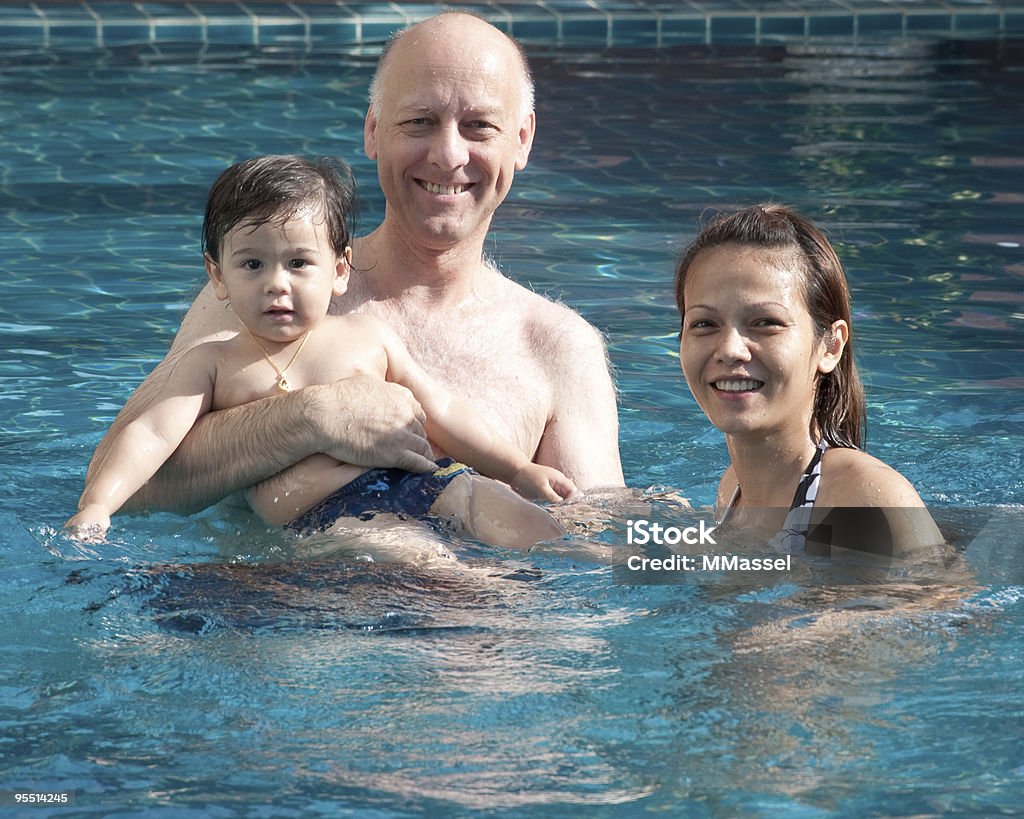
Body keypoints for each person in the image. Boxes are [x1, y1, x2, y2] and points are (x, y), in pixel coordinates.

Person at [81, 11, 624, 522]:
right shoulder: (269, 290)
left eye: (479, 126)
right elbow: (125, 490)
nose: (448, 155)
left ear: (522, 140)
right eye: (419, 122)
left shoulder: (557, 347)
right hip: (276, 611)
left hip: (476, 615)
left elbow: (593, 549)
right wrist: (309, 418)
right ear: (372, 132)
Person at [65, 154, 576, 550]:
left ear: (339, 269)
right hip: (333, 519)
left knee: (540, 532)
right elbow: (151, 435)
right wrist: (97, 505)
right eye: (252, 265)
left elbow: (443, 411)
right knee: (430, 568)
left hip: (435, 482)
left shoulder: (365, 335)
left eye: (298, 262)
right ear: (217, 277)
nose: (276, 285)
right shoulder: (214, 364)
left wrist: (516, 470)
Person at [674, 204, 943, 556]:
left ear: (830, 346)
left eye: (765, 322)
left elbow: (950, 609)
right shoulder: (732, 489)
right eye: (704, 324)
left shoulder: (863, 496)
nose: (730, 350)